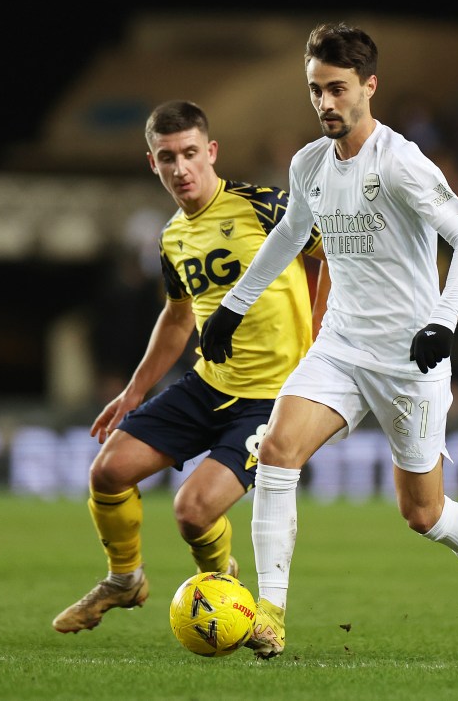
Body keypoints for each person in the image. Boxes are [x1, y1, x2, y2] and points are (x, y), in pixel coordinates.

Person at [200, 22, 458, 661]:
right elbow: (289, 236)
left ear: (369, 87)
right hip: (339, 348)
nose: (325, 103)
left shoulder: (401, 162)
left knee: (424, 514)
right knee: (276, 451)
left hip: (409, 359)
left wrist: (443, 320)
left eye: (336, 89)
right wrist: (233, 307)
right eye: (315, 91)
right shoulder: (309, 164)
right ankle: (270, 611)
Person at [52, 100, 329, 634]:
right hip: (207, 382)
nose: (181, 168)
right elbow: (178, 320)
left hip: (273, 399)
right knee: (107, 471)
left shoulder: (263, 206)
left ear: (212, 152)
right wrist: (134, 392)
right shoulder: (172, 238)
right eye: (167, 157)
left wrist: (322, 336)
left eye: (190, 154)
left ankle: (225, 596)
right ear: (151, 164)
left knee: (192, 511)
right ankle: (124, 578)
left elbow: (335, 254)